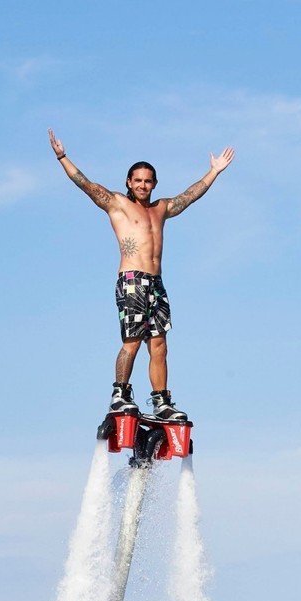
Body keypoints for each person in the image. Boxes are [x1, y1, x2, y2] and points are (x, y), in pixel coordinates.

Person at [48, 129, 234, 422]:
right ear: (129, 182)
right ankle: (120, 393)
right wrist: (62, 157)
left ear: (154, 183)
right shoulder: (117, 204)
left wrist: (213, 172)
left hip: (156, 283)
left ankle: (161, 401)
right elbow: (85, 184)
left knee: (159, 343)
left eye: (148, 181)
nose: (143, 185)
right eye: (138, 180)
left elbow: (191, 195)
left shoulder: (161, 208)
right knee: (132, 341)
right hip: (132, 280)